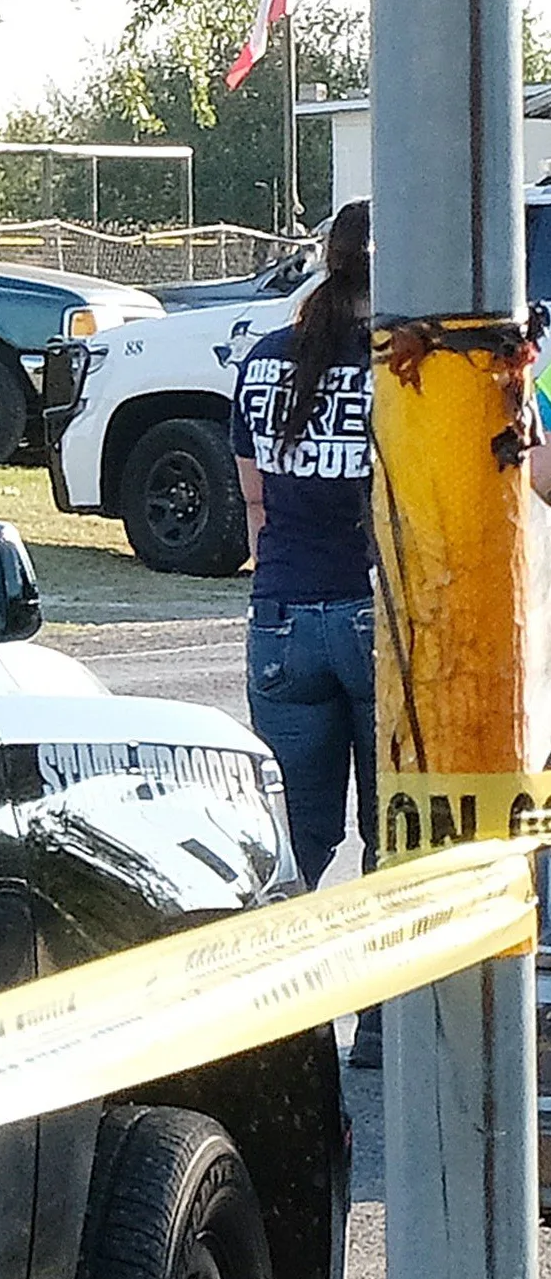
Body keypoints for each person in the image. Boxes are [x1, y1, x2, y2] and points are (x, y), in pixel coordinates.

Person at [233, 199, 376, 937]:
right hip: (374, 610)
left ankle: (273, 1021)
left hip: (280, 614)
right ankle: (388, 1031)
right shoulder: (402, 361)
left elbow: (254, 498)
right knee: (396, 838)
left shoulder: (262, 361)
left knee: (295, 840)